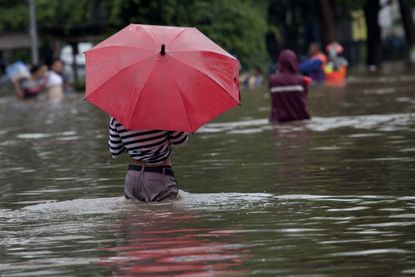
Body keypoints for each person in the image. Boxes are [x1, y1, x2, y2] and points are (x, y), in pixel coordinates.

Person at [108, 117, 188, 202]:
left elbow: (115, 149)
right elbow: (180, 140)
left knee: (135, 213)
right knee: (166, 212)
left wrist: (133, 144)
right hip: (160, 174)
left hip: (133, 177)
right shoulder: (165, 112)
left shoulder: (117, 117)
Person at [268, 49, 312, 123]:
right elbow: (305, 96)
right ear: (294, 61)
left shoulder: (272, 80)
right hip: (300, 120)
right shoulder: (301, 80)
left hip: (278, 121)